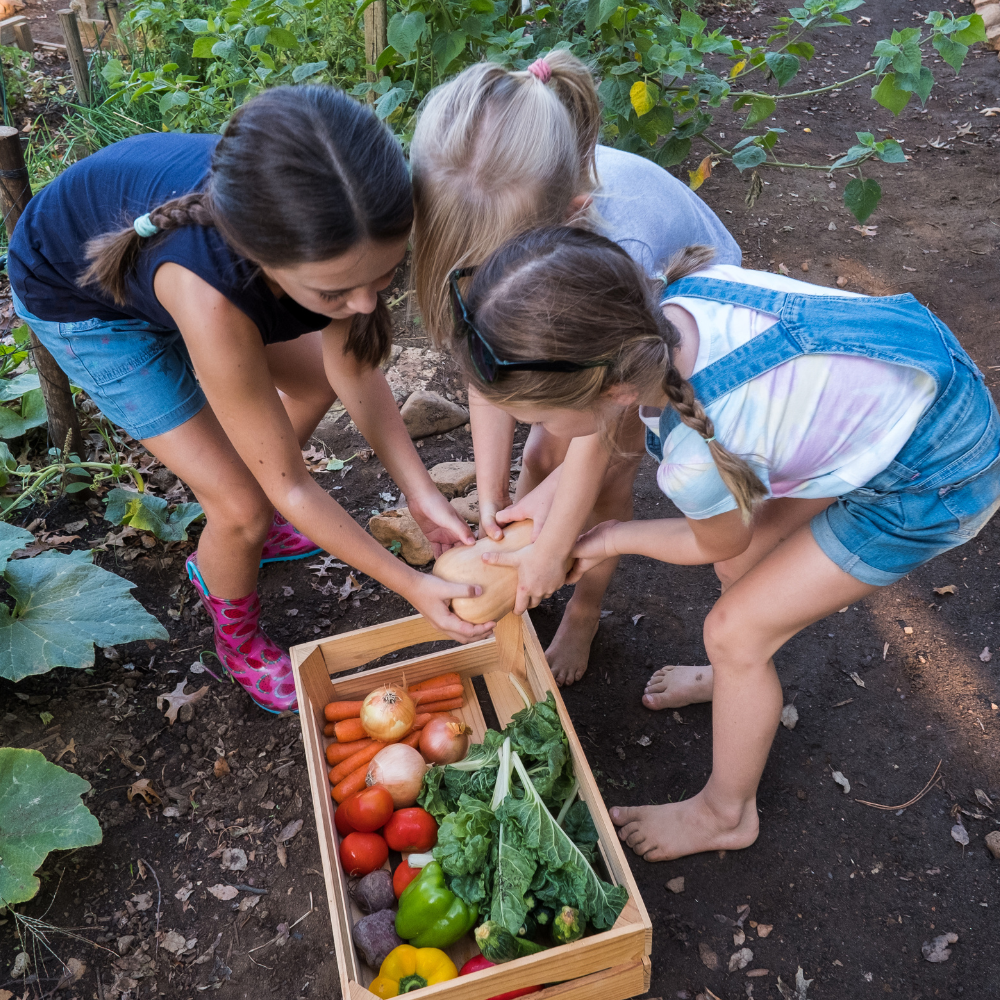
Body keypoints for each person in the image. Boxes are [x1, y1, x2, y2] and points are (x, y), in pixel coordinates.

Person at [448, 225, 1000, 861]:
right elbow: (598, 433)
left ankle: (725, 812)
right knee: (745, 569)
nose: (537, 434)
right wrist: (536, 516)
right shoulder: (667, 315)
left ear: (612, 389)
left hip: (933, 474)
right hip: (906, 381)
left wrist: (606, 538)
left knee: (735, 630)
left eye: (538, 420)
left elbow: (709, 539)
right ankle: (735, 681)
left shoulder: (694, 454)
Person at [7, 86, 492, 715]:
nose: (368, 304)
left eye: (384, 277)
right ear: (263, 261)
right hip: (79, 298)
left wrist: (422, 496)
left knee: (311, 384)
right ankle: (235, 632)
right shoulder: (215, 297)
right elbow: (294, 488)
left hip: (170, 274)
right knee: (240, 506)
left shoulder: (339, 229)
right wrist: (412, 585)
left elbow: (353, 373)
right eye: (337, 292)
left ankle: (247, 530)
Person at [410, 50, 741, 686]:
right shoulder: (488, 220)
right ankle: (534, 562)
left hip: (672, 336)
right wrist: (491, 494)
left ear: (569, 217)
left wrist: (557, 544)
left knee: (604, 472)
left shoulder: (622, 251)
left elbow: (604, 440)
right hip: (578, 337)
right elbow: (488, 370)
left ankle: (584, 610)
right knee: (539, 460)